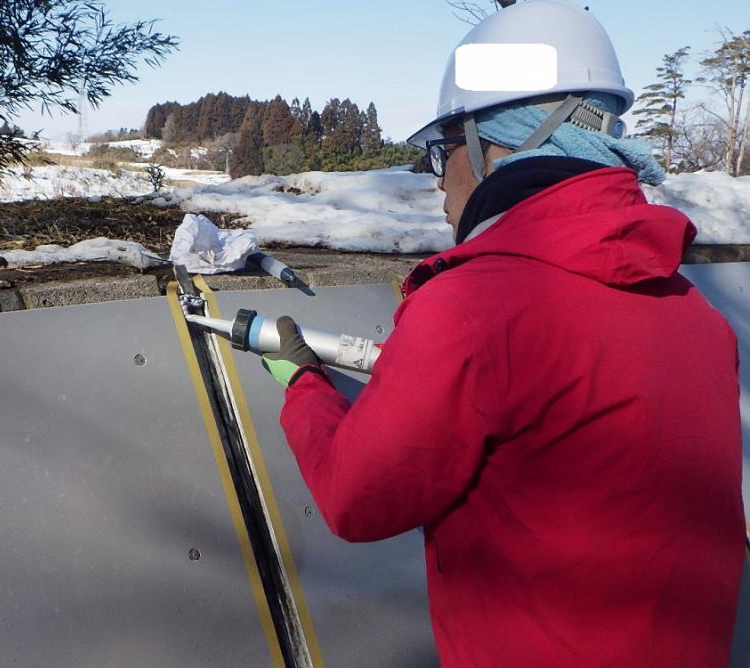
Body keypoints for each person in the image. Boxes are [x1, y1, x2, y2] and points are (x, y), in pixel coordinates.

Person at [260, 0, 747, 665]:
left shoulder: (472, 307)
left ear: (499, 142)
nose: (440, 182)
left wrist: (303, 386)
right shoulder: (697, 316)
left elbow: (354, 498)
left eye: (445, 150)